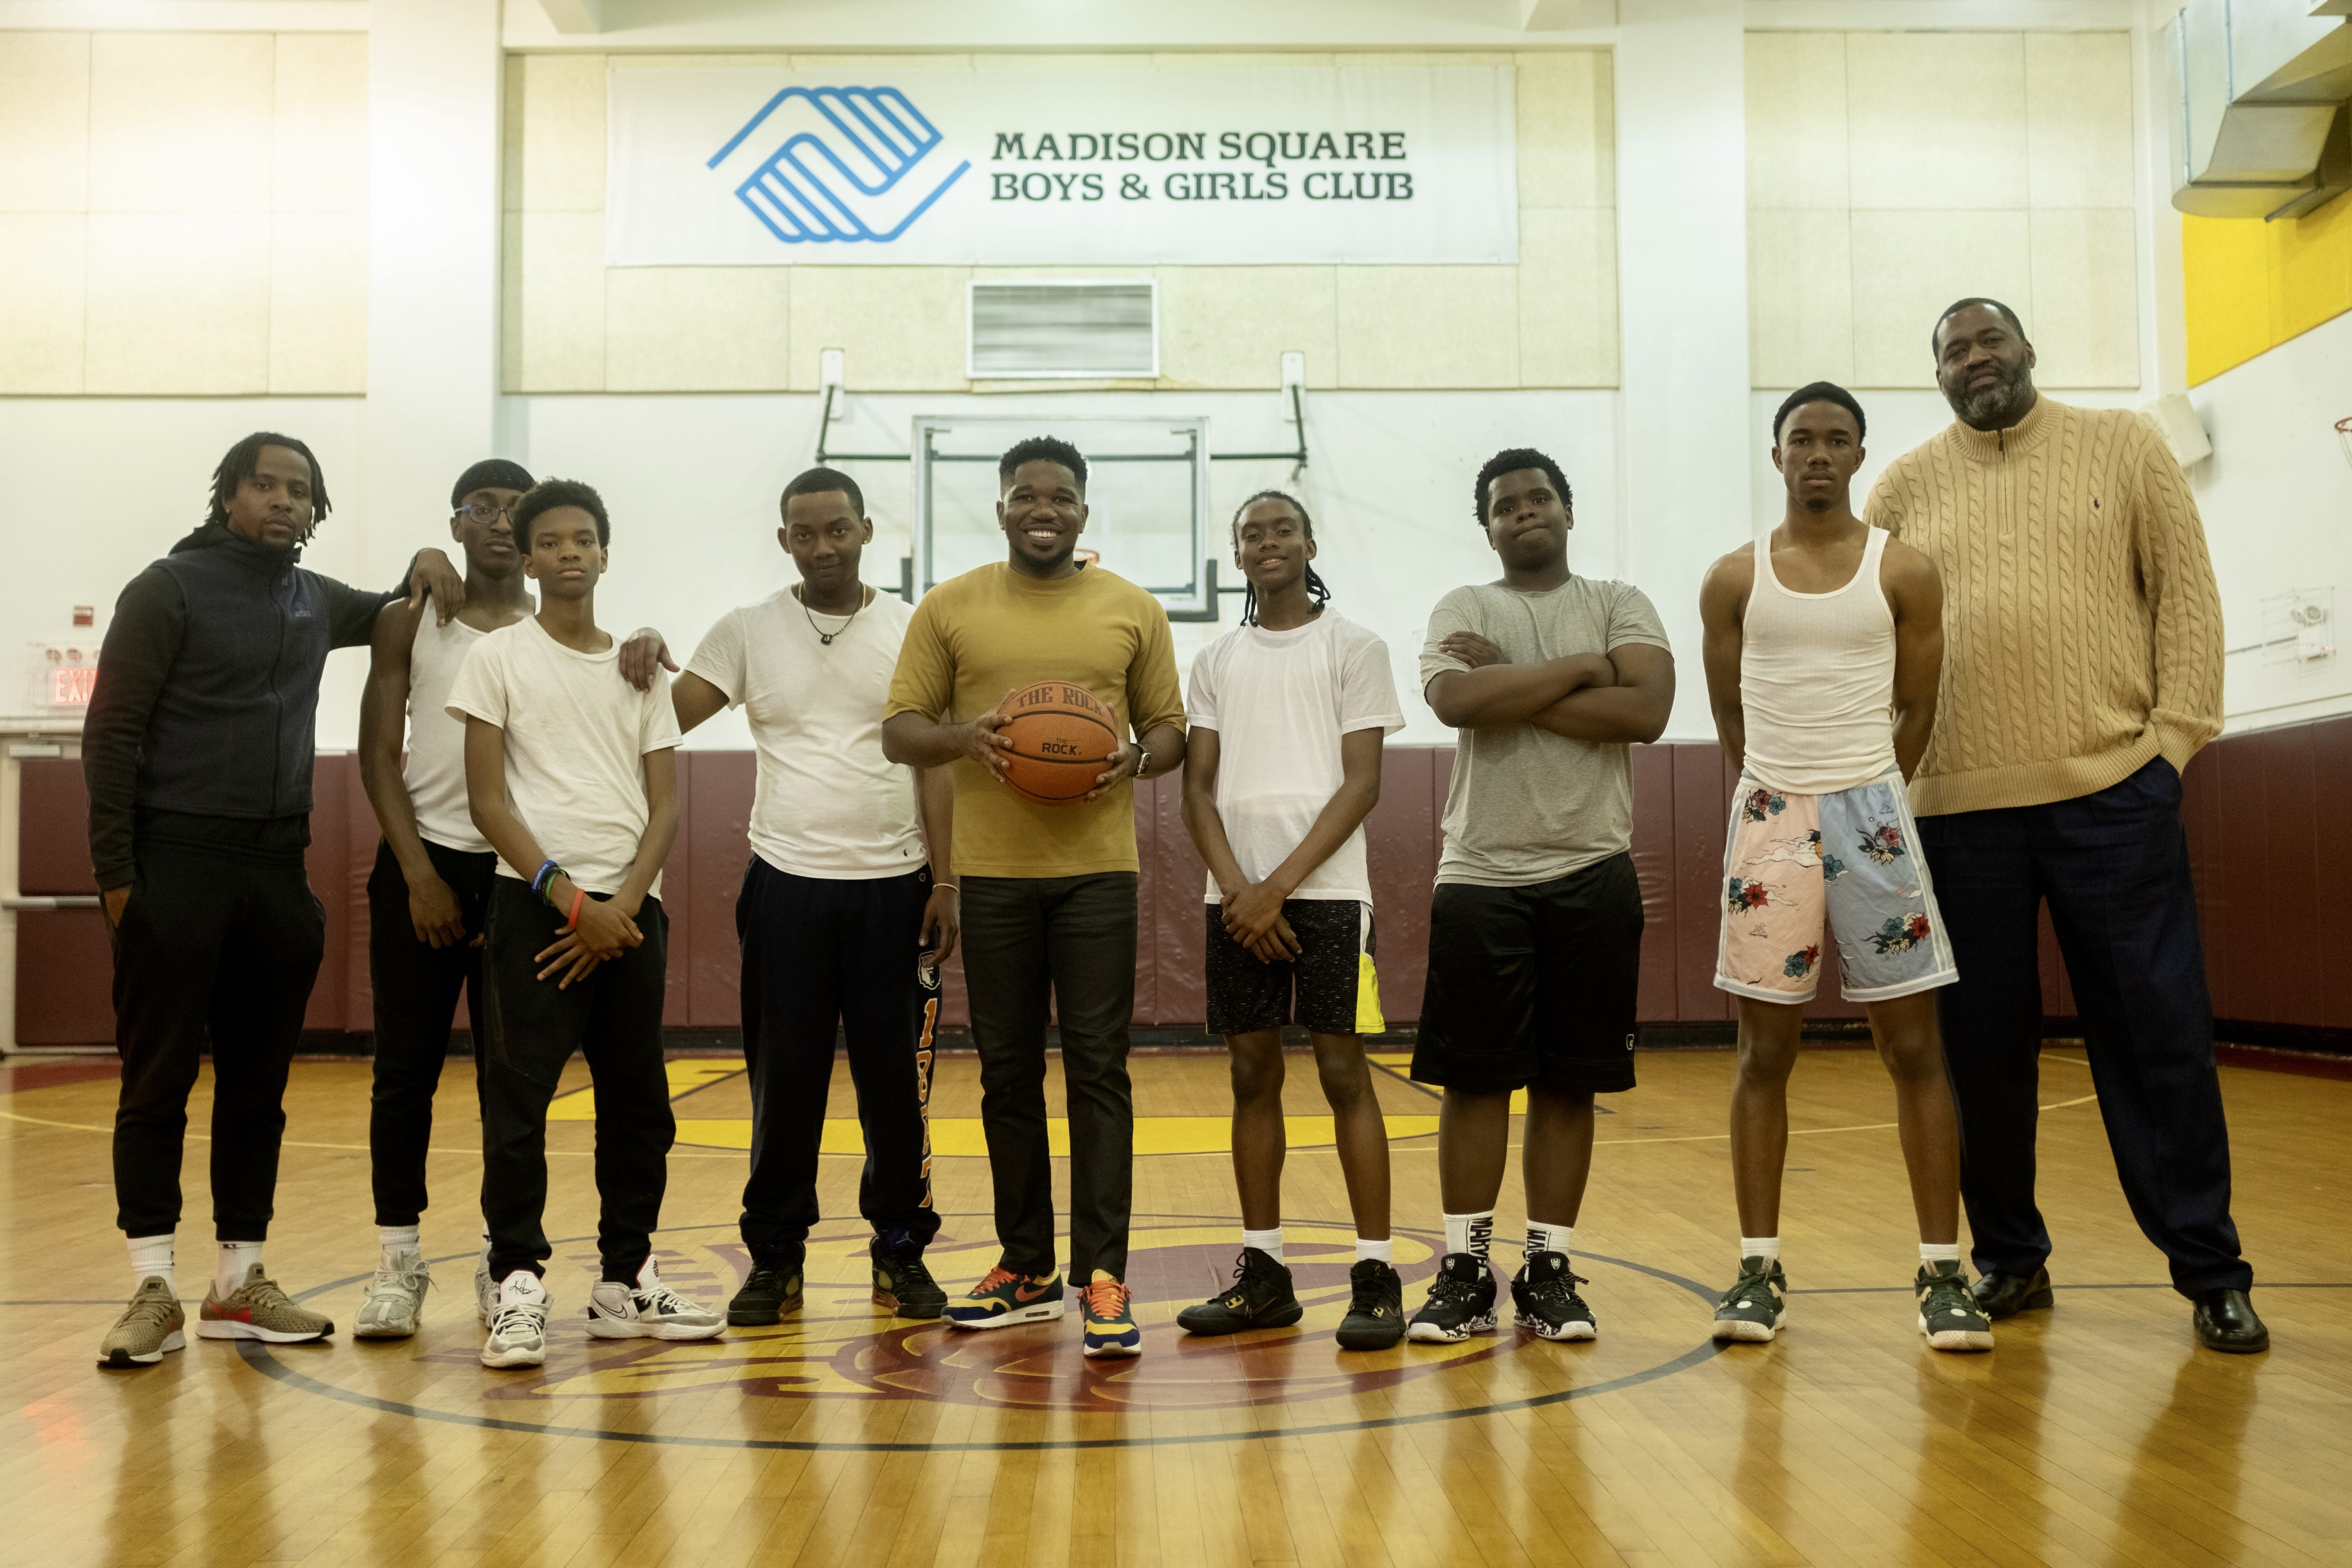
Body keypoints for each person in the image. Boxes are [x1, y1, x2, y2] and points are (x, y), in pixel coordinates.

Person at [1864, 299, 2263, 1353]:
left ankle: (2210, 1269)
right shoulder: (1900, 487)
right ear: (1938, 375)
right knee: (1981, 1054)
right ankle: (2009, 1262)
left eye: (1988, 341)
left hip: (2112, 795)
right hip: (1956, 811)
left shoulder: (2125, 444)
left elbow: (2188, 598)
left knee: (2158, 1039)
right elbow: (1876, 643)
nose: (1974, 360)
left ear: (2028, 349)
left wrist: (2172, 745)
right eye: (1952, 350)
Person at [86, 432, 463, 1371]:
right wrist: (118, 880)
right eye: (266, 485)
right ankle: (151, 1286)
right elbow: (111, 733)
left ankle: (237, 1280)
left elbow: (391, 613)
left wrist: (423, 563)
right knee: (157, 1085)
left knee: (259, 1092)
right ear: (229, 496)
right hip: (172, 864)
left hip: (275, 874)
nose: (284, 501)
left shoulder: (309, 597)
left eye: (300, 490)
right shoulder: (166, 588)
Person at [349, 461, 673, 1338]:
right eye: (480, 509)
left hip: (522, 880)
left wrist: (644, 633)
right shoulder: (412, 620)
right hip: (433, 867)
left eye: (512, 509)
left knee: (513, 1085)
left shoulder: (556, 633)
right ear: (457, 528)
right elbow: (380, 755)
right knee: (405, 1073)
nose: (499, 523)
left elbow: (609, 686)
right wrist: (415, 872)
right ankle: (398, 1260)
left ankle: (510, 1267)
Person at [1697, 383, 1990, 1352]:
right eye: (1801, 439)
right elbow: (1730, 720)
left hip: (1873, 809)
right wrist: (1780, 791)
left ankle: (1944, 1272)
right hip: (1772, 811)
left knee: (1913, 1049)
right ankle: (1756, 1267)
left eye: (1837, 439)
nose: (1818, 453)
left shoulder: (1904, 571)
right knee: (1763, 1054)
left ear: (1859, 456)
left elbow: (1920, 705)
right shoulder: (1734, 579)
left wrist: (1871, 795)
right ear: (1776, 455)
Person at [882, 435, 1186, 1359]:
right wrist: (962, 738)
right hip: (994, 875)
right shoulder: (950, 607)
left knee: (1099, 1072)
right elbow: (899, 732)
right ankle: (1026, 1266)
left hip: (1099, 872)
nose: (1042, 508)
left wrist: (1136, 758)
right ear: (1003, 508)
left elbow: (1169, 730)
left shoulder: (1131, 609)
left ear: (1084, 513)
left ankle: (1104, 1276)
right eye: (1025, 495)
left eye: (1060, 496)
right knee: (1008, 1075)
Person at [669, 467, 961, 1327]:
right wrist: (638, 657)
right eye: (806, 532)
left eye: (839, 529)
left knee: (895, 1091)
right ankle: (775, 1257)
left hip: (896, 890)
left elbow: (936, 761)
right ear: (785, 539)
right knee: (783, 1085)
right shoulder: (748, 631)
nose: (823, 545)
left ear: (867, 530)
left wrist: (945, 879)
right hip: (787, 888)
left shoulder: (914, 627)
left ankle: (900, 1251)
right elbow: (661, 718)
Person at [448, 478, 722, 1369]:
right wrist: (572, 903)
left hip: (633, 916)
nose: (569, 552)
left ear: (606, 553)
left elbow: (667, 806)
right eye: (551, 541)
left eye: (584, 539)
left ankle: (625, 1279)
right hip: (537, 909)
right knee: (519, 1100)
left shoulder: (640, 665)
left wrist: (625, 906)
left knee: (641, 1105)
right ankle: (518, 1280)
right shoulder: (495, 659)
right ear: (526, 560)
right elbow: (488, 803)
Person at [1408, 448, 1672, 1345]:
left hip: (1592, 871)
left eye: (1538, 498)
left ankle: (1549, 1265)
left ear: (1567, 509)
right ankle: (1466, 1267)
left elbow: (1645, 715)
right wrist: (1587, 670)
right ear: (1487, 525)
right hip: (1482, 873)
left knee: (1569, 1083)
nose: (1523, 512)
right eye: (1504, 505)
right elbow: (1453, 702)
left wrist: (1511, 685)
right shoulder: (1463, 607)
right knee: (1476, 1083)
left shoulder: (1619, 602)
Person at [1176, 490, 1408, 1351]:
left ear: (1310, 543)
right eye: (1250, 533)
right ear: (1236, 555)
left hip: (1327, 890)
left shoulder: (1356, 646)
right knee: (1251, 1075)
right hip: (1236, 896)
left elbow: (1363, 784)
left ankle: (1376, 1274)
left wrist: (1277, 886)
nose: (1267, 542)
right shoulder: (1216, 659)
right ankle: (1264, 1275)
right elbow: (1196, 789)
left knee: (1345, 1073)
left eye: (1282, 529)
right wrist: (1240, 889)